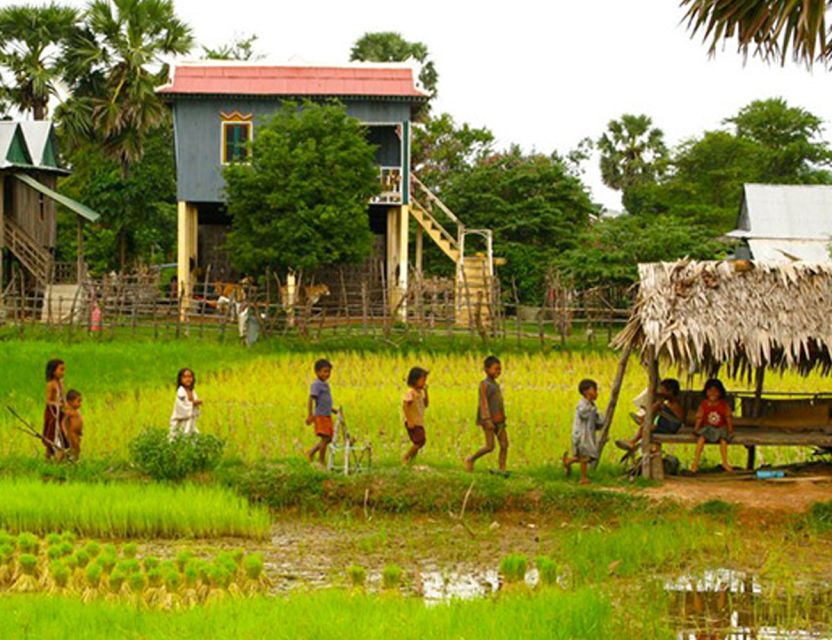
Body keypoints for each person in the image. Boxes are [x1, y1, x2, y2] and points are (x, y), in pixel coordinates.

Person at [615, 378, 685, 452]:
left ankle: (633, 441)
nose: (661, 392)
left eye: (663, 390)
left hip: (671, 428)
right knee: (651, 416)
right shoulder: (669, 403)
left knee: (646, 425)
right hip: (667, 425)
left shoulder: (675, 405)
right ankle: (643, 419)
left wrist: (659, 406)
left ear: (670, 391)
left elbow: (676, 421)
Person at [465, 355, 508, 473]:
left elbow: (499, 403)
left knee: (504, 445)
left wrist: (503, 417)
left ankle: (502, 469)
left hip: (499, 419)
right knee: (490, 446)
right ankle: (471, 459)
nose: (498, 372)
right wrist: (487, 419)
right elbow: (483, 403)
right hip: (488, 419)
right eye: (496, 369)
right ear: (486, 369)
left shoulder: (495, 384)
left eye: (500, 369)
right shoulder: (484, 384)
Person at [563, 379, 605, 485]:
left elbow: (595, 421)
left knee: (586, 456)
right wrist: (593, 411)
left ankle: (568, 461)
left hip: (588, 435)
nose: (596, 393)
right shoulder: (582, 404)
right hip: (581, 434)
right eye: (594, 390)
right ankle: (583, 478)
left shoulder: (592, 405)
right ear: (586, 392)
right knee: (585, 457)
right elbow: (584, 414)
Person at [690, 378, 734, 473]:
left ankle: (725, 462)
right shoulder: (704, 404)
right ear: (706, 392)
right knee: (701, 439)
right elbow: (699, 417)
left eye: (715, 391)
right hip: (708, 428)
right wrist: (696, 429)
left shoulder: (724, 405)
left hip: (720, 428)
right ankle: (695, 463)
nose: (712, 393)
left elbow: (728, 418)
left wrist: (730, 431)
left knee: (723, 440)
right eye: (710, 391)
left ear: (720, 393)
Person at [306, 359, 334, 465]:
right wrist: (310, 415)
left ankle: (311, 452)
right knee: (325, 438)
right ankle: (321, 461)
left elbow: (324, 401)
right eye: (325, 371)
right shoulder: (316, 384)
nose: (327, 374)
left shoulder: (325, 384)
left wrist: (333, 409)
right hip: (321, 416)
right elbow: (311, 399)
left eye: (329, 372)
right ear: (317, 372)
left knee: (329, 438)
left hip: (327, 415)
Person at [402, 367, 429, 465]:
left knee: (421, 441)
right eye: (423, 380)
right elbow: (405, 405)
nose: (424, 383)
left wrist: (426, 392)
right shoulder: (411, 392)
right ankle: (406, 457)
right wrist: (409, 420)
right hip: (413, 421)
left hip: (419, 421)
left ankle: (411, 459)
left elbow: (426, 404)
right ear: (414, 380)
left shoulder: (420, 392)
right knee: (419, 441)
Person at [43, 359, 67, 460]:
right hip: (52, 412)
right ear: (53, 371)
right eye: (61, 370)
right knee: (51, 433)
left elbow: (62, 396)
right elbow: (48, 400)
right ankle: (48, 456)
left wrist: (66, 406)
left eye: (64, 370)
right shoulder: (51, 384)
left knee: (61, 433)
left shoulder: (61, 383)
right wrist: (57, 404)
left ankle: (59, 455)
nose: (63, 372)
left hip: (60, 412)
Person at [169, 368, 202, 438]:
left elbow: (194, 409)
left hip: (190, 422)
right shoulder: (180, 391)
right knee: (179, 438)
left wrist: (197, 403)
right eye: (185, 377)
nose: (188, 379)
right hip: (180, 422)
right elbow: (181, 407)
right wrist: (193, 403)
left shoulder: (192, 391)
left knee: (195, 437)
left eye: (190, 377)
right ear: (180, 379)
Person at [62, 389, 84, 461]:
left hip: (77, 433)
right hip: (72, 433)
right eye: (78, 401)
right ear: (70, 402)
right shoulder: (69, 411)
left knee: (77, 447)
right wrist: (65, 431)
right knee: (75, 447)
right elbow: (63, 421)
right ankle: (74, 459)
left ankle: (74, 458)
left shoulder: (75, 410)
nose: (80, 404)